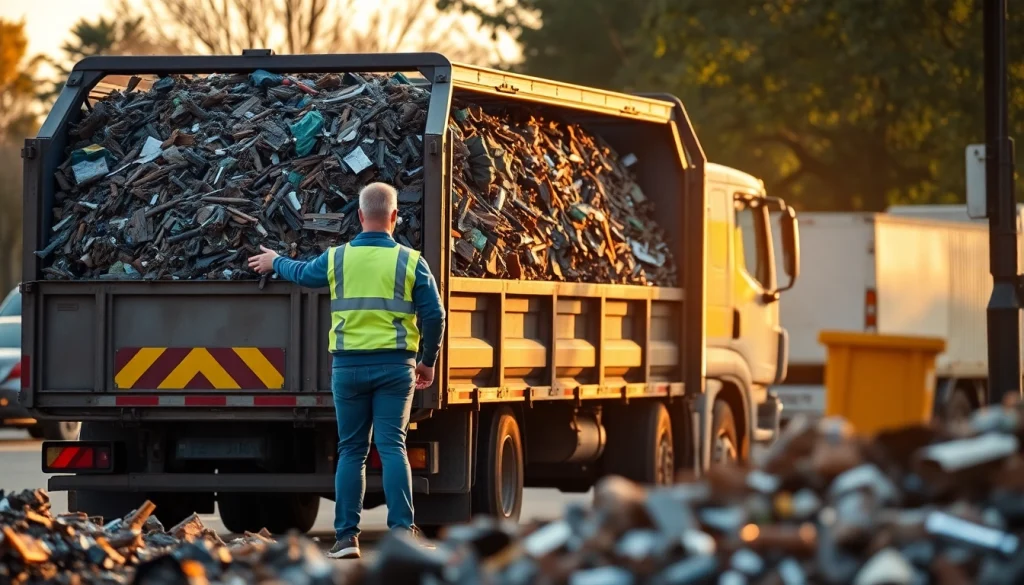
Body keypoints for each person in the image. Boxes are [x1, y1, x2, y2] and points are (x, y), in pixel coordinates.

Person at [248, 182, 445, 559]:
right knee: (392, 448)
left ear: (358, 216)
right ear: (393, 217)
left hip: (349, 369)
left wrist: (275, 262)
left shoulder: (338, 258)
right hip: (395, 369)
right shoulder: (410, 260)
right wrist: (427, 361)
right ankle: (402, 533)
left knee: (351, 451)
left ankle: (345, 539)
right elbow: (435, 315)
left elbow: (304, 275)